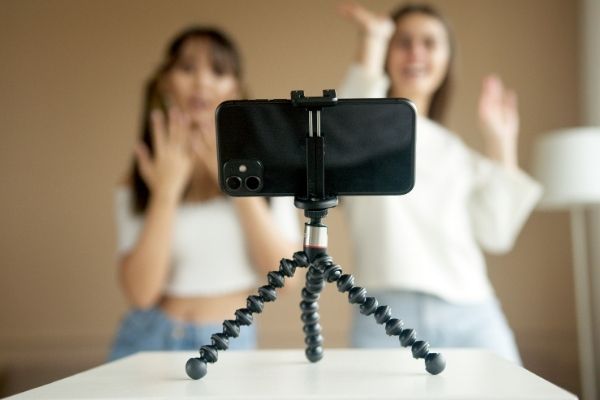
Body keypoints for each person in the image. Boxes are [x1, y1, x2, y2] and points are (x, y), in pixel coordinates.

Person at [337, 2, 542, 364]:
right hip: (385, 313)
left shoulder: (456, 152)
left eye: (429, 43)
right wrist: (373, 40)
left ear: (446, 60)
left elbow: (497, 234)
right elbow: (349, 123)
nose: (416, 52)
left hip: (472, 309)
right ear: (386, 54)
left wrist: (501, 141)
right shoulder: (364, 135)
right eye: (403, 42)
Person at [109, 27, 300, 361]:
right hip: (147, 339)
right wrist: (166, 192)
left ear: (235, 88)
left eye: (218, 71)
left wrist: (235, 182)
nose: (201, 82)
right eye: (187, 68)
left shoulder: (267, 170)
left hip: (229, 341)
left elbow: (288, 280)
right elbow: (141, 294)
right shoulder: (142, 176)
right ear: (166, 82)